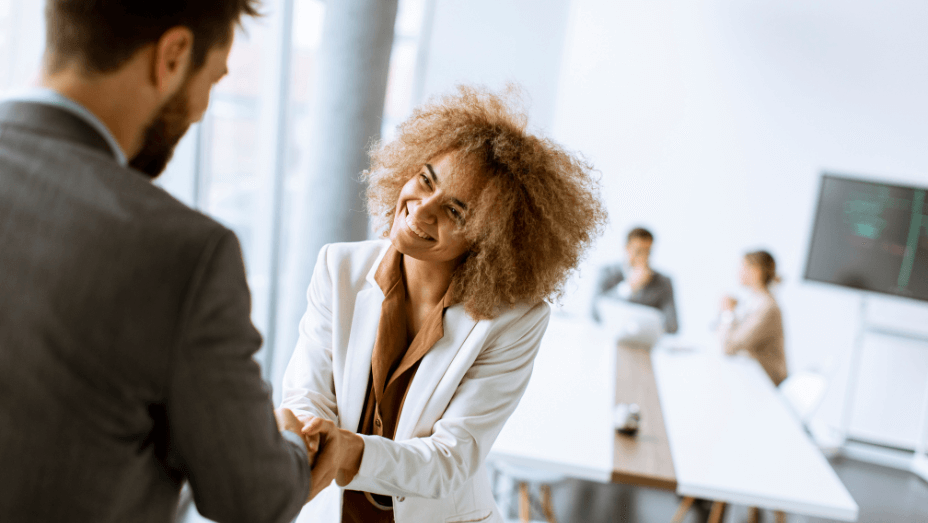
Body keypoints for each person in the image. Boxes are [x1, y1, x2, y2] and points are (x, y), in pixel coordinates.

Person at [0, 2, 314, 522]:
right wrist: (292, 444)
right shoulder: (182, 254)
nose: (199, 111)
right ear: (172, 55)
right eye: (212, 80)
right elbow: (253, 498)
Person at [279, 86, 607, 523]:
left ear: (494, 239)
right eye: (426, 180)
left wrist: (351, 452)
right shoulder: (338, 267)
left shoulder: (516, 320)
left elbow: (451, 460)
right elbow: (308, 394)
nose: (420, 210)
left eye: (456, 212)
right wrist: (309, 438)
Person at [718, 250, 788, 386]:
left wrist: (728, 313)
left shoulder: (768, 308)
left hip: (767, 385)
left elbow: (728, 347)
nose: (738, 272)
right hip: (752, 379)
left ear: (756, 271)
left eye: (743, 266)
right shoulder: (754, 302)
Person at [593, 227, 679, 333]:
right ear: (626, 248)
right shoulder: (607, 273)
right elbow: (594, 314)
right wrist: (628, 287)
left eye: (648, 252)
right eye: (638, 251)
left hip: (646, 343)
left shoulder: (664, 282)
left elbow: (672, 326)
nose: (643, 258)